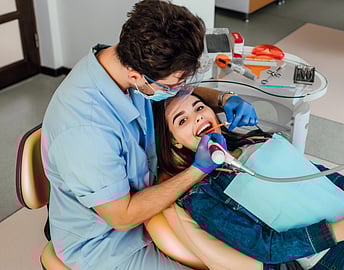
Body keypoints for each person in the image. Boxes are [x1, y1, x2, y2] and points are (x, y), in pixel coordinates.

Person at [40, 1, 258, 269]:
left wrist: (224, 99)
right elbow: (122, 217)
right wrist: (199, 169)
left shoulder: (129, 62)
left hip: (153, 207)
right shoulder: (87, 130)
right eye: (174, 85)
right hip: (109, 242)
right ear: (136, 77)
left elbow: (178, 92)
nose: (184, 90)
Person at [153, 94, 344, 270]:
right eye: (182, 121)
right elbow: (267, 248)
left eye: (200, 107)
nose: (198, 117)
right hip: (334, 251)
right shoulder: (203, 195)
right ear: (175, 143)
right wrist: (342, 230)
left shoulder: (254, 139)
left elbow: (311, 171)